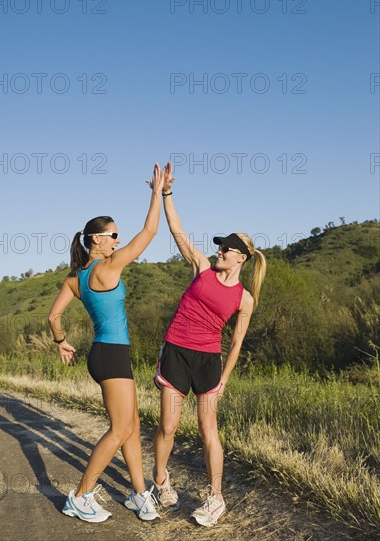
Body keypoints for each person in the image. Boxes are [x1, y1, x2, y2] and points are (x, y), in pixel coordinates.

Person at [48, 163, 165, 523]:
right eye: (113, 235)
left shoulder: (76, 277)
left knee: (131, 425)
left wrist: (62, 342)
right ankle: (81, 495)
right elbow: (150, 231)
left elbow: (53, 317)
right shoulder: (107, 267)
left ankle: (138, 492)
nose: (117, 240)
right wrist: (157, 192)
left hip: (107, 354)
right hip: (111, 355)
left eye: (117, 235)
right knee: (119, 428)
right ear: (96, 239)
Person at [152, 161, 267, 527]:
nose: (220, 251)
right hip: (176, 353)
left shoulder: (244, 299)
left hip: (207, 363)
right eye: (221, 247)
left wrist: (224, 380)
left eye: (227, 249)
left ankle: (215, 498)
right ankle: (160, 482)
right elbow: (177, 231)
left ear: (242, 258)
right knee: (168, 427)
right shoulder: (201, 267)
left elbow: (235, 343)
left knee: (208, 430)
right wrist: (166, 192)